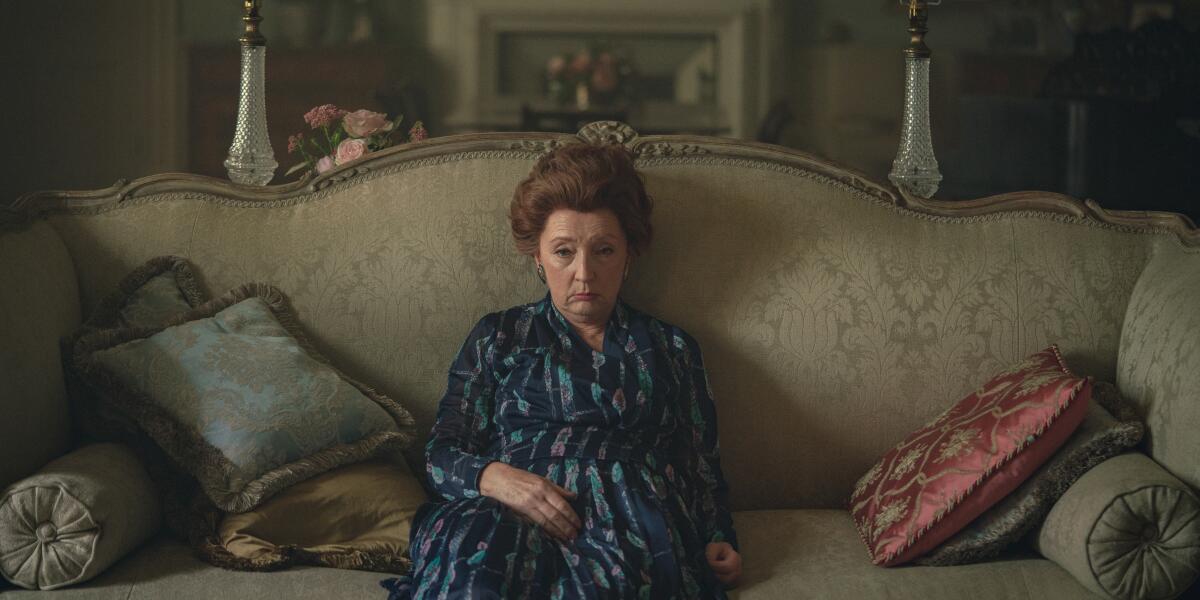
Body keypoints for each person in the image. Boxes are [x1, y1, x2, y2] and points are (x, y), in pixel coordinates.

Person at [382, 143, 741, 599]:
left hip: (630, 519)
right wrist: (501, 480)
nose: (584, 273)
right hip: (506, 508)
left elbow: (700, 464)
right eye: (564, 252)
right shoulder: (499, 336)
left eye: (604, 250)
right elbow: (440, 455)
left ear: (629, 257)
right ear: (538, 258)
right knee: (476, 559)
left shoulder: (671, 347)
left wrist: (719, 537)